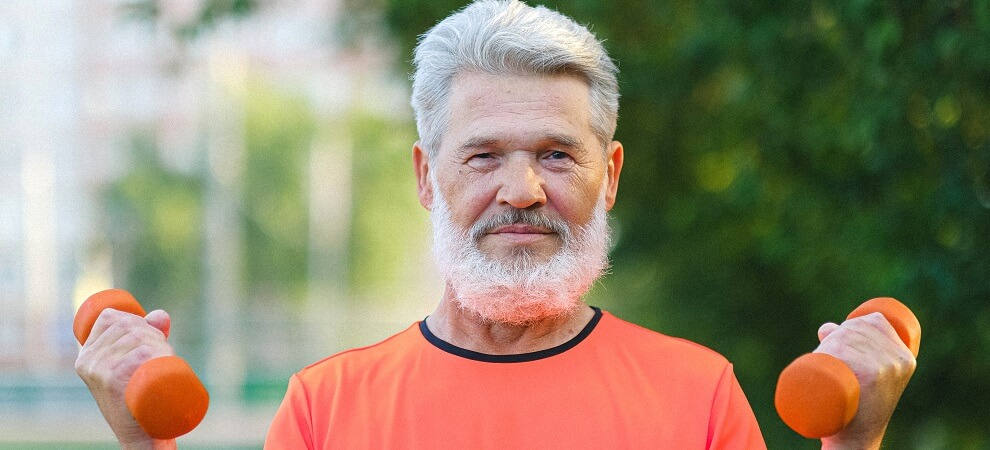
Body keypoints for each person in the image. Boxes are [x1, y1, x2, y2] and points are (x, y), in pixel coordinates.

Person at [75, 1, 917, 448]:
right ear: (425, 177)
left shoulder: (699, 394)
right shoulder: (324, 407)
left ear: (610, 176)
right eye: (482, 157)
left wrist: (855, 444)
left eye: (557, 154)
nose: (521, 190)